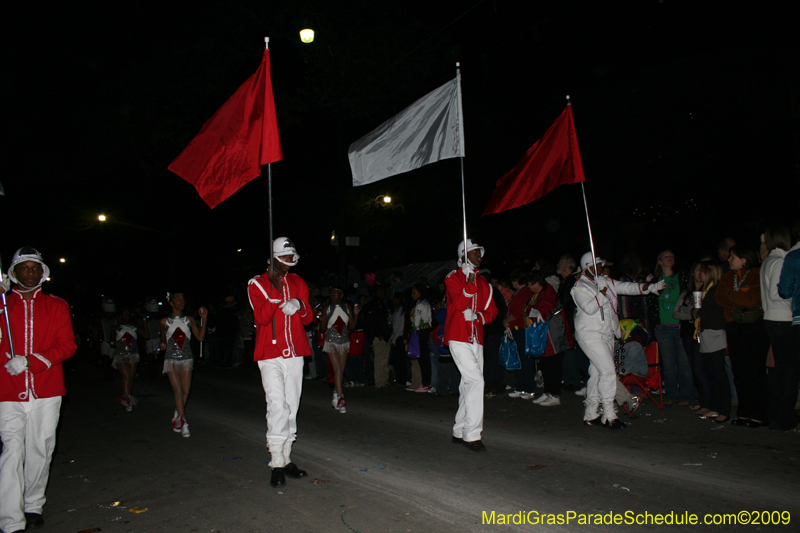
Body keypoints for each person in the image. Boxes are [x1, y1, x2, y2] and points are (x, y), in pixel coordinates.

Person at [0, 247, 77, 533]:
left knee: (41, 449)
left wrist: (32, 362)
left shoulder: (57, 305)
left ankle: (32, 504)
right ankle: (10, 519)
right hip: (7, 391)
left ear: (42, 273)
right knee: (11, 452)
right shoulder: (2, 305)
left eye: (35, 268)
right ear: (14, 273)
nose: (30, 273)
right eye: (24, 268)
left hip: (46, 389)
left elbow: (67, 345)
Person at [248, 237, 314, 488]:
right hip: (269, 353)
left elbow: (308, 319)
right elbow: (262, 318)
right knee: (277, 404)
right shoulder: (257, 283)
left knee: (291, 405)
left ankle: (286, 458)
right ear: (273, 257)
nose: (289, 262)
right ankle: (275, 461)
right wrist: (275, 291)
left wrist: (299, 304)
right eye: (285, 258)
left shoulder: (298, 281)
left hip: (295, 351)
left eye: (291, 257)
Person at [571, 252, 664, 429]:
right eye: (598, 265)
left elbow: (628, 288)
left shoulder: (605, 281)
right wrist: (601, 294)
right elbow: (589, 308)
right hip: (590, 334)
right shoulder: (579, 287)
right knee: (607, 371)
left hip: (607, 333)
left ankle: (590, 413)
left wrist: (649, 288)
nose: (602, 268)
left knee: (597, 373)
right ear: (588, 266)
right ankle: (609, 414)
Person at [444, 239, 498, 452]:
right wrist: (469, 282)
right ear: (464, 255)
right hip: (458, 336)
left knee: (468, 384)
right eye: (475, 252)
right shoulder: (453, 277)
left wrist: (479, 316)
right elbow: (458, 304)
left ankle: (459, 430)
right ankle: (472, 435)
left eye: (480, 252)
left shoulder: (485, 282)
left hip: (477, 338)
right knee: (476, 381)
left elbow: (492, 310)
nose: (479, 255)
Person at [715, 244, 770, 428]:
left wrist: (734, 295)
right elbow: (720, 297)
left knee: (755, 370)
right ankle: (744, 412)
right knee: (739, 371)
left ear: (744, 259)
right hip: (734, 326)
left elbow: (753, 298)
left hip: (755, 327)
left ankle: (759, 413)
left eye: (733, 257)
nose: (729, 260)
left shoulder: (757, 274)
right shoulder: (728, 277)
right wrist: (738, 295)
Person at [760, 226, 796, 431]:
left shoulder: (769, 260)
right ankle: (784, 418)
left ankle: (777, 416)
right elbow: (777, 293)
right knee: (788, 371)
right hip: (782, 319)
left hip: (773, 319)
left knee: (781, 371)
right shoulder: (780, 261)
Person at [648, 250, 694, 406]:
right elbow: (651, 303)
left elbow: (689, 297)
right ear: (659, 261)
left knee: (684, 363)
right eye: (666, 256)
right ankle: (672, 395)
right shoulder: (655, 280)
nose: (670, 258)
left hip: (679, 325)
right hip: (663, 327)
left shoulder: (682, 277)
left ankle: (687, 396)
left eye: (672, 256)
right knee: (668, 364)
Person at [159, 291, 207, 438]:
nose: (181, 301)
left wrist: (204, 320)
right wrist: (162, 343)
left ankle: (177, 415)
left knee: (186, 391)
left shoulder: (189, 319)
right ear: (171, 303)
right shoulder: (164, 321)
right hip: (171, 359)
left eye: (183, 299)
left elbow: (199, 337)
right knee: (178, 390)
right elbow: (162, 337)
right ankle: (183, 422)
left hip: (187, 358)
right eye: (178, 299)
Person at [695, 261, 731, 423]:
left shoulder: (716, 290)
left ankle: (723, 409)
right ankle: (715, 407)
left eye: (701, 271)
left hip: (715, 334)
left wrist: (699, 312)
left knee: (718, 374)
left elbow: (713, 313)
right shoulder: (707, 290)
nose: (699, 274)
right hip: (708, 334)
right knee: (711, 373)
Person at [319, 286, 357, 413]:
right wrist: (321, 320)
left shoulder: (347, 307)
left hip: (344, 342)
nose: (333, 295)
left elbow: (351, 326)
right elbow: (323, 329)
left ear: (341, 295)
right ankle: (341, 398)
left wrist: (356, 315)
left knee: (340, 369)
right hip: (331, 342)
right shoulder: (327, 308)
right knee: (337, 369)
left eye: (335, 294)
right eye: (331, 294)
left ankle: (335, 395)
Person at [112, 307, 144, 411]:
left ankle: (128, 395)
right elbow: (111, 340)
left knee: (131, 376)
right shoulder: (116, 327)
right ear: (121, 315)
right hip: (121, 354)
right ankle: (126, 399)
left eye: (128, 313)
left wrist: (144, 321)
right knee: (126, 376)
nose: (126, 315)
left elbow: (146, 335)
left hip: (133, 354)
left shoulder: (134, 326)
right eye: (124, 313)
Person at [362, 284, 392, 388]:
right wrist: (378, 334)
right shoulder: (374, 305)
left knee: (384, 359)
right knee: (379, 359)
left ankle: (384, 380)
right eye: (382, 292)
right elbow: (371, 321)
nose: (384, 294)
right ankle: (380, 381)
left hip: (384, 336)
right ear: (378, 293)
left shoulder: (381, 304)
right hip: (379, 336)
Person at [408, 283, 434, 392]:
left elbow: (417, 322)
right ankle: (425, 383)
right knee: (425, 359)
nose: (412, 295)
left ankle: (425, 384)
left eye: (414, 293)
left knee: (423, 360)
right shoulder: (426, 303)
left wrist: (412, 318)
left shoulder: (419, 305)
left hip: (420, 332)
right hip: (426, 331)